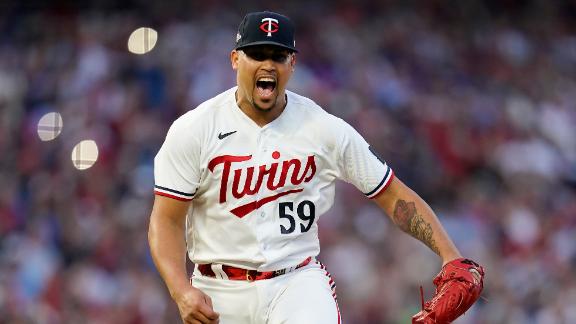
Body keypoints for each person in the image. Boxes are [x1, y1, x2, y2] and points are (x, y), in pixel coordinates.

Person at [148, 11, 484, 324]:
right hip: (217, 289)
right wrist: (181, 289)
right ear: (236, 59)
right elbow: (167, 219)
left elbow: (393, 196)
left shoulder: (323, 129)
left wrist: (450, 255)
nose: (268, 64)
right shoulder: (195, 129)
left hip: (296, 283)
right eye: (257, 55)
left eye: (278, 56)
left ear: (292, 63)